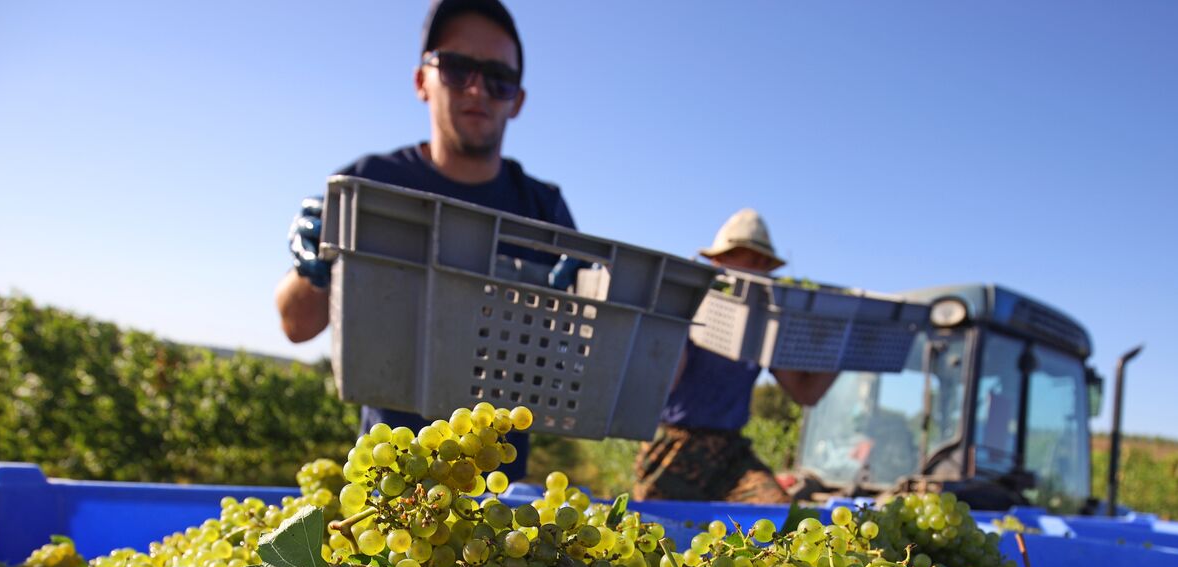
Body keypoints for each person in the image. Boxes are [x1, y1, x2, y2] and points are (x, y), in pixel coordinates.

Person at [275, 0, 575, 478]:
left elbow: (572, 364)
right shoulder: (369, 185)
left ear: (517, 99)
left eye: (498, 77)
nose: (477, 87)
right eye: (457, 68)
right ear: (422, 81)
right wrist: (313, 268)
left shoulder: (543, 208)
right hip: (393, 491)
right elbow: (296, 325)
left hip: (494, 501)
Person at [633, 209, 837, 503]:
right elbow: (662, 386)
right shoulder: (690, 306)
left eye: (765, 263)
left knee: (775, 510)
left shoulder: (765, 327)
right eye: (752, 259)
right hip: (675, 446)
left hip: (730, 453)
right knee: (659, 531)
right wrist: (677, 322)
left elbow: (806, 393)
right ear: (720, 261)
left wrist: (838, 349)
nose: (761, 268)